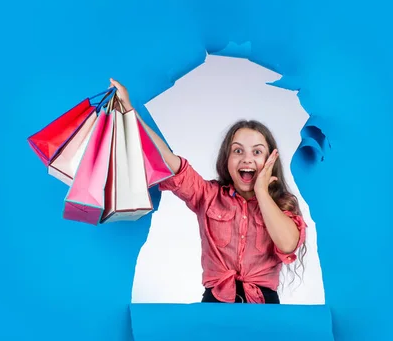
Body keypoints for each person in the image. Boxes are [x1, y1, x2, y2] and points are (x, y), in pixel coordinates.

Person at [109, 78, 308, 304]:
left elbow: (288, 244)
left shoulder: (283, 202)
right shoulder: (208, 196)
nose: (247, 159)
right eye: (238, 151)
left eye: (257, 152)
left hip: (265, 308)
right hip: (214, 304)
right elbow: (171, 164)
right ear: (227, 159)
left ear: (270, 159)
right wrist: (129, 111)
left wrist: (262, 192)